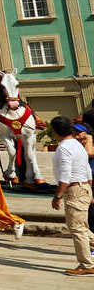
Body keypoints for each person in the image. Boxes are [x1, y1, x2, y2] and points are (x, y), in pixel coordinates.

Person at [50, 116, 94, 275]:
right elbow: (87, 169)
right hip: (83, 187)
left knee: (77, 228)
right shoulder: (77, 144)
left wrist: (57, 196)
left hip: (74, 190)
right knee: (81, 227)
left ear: (55, 131)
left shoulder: (64, 148)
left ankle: (86, 264)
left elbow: (66, 174)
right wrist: (89, 189)